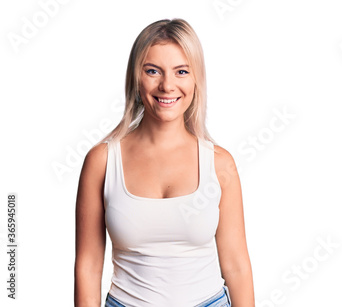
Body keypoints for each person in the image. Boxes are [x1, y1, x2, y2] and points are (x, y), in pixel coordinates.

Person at [74, 18, 254, 307]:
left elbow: (236, 266)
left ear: (196, 78)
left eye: (181, 71)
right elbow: (88, 266)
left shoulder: (220, 164)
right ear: (136, 77)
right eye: (153, 71)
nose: (167, 85)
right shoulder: (103, 161)